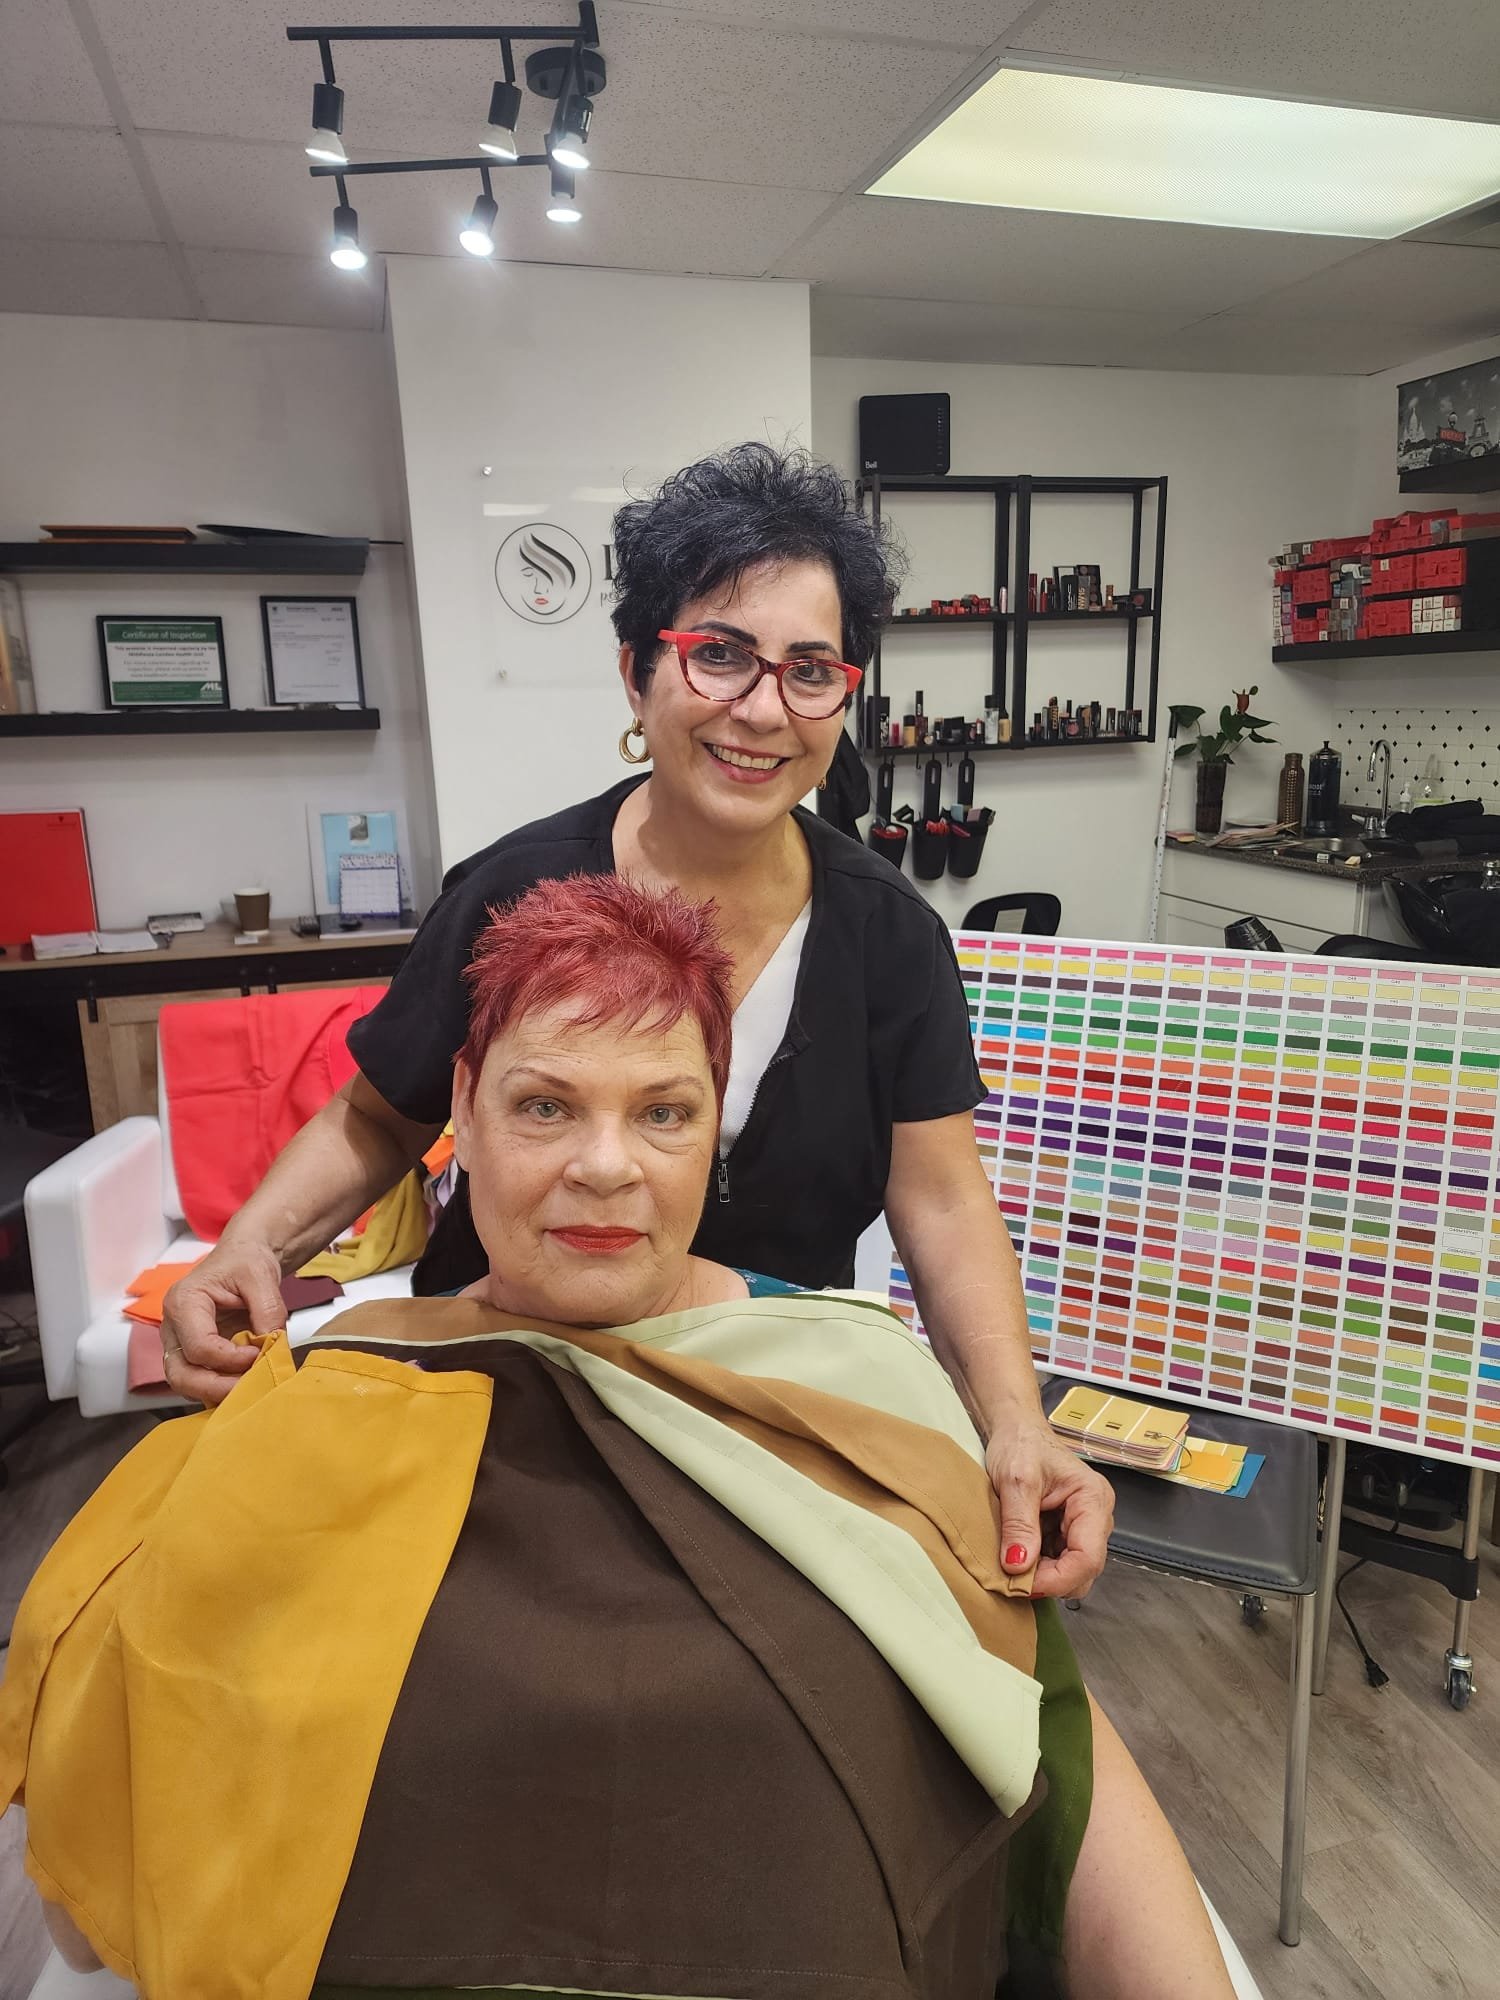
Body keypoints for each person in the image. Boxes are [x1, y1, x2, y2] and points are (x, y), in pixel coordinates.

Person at [5, 880, 1235, 2000]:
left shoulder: (857, 1378)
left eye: (663, 1111)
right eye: (545, 1105)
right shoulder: (334, 1389)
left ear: (714, 1128)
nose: (606, 1165)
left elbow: (1040, 1732)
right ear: (463, 1115)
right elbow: (118, 1826)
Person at [161, 443, 1113, 1602]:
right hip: (510, 1378)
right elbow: (377, 1118)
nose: (763, 709)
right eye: (720, 654)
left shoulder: (889, 936)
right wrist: (249, 1249)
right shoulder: (513, 892)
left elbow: (944, 1198)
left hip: (757, 1397)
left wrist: (1015, 1422)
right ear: (637, 673)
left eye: (811, 670)